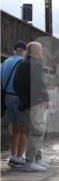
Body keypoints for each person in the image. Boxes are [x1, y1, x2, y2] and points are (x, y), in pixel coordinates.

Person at [13, 41, 49, 172]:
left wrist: (23, 97)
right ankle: (30, 161)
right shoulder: (37, 65)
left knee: (30, 132)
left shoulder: (22, 64)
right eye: (40, 50)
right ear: (36, 52)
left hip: (24, 103)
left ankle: (37, 159)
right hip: (36, 103)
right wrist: (45, 99)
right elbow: (41, 84)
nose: (42, 53)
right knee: (37, 132)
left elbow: (16, 84)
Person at [2, 41, 29, 169]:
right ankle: (19, 157)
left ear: (14, 50)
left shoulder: (5, 63)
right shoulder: (24, 64)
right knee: (24, 129)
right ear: (24, 51)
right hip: (19, 98)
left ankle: (13, 155)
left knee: (15, 128)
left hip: (7, 97)